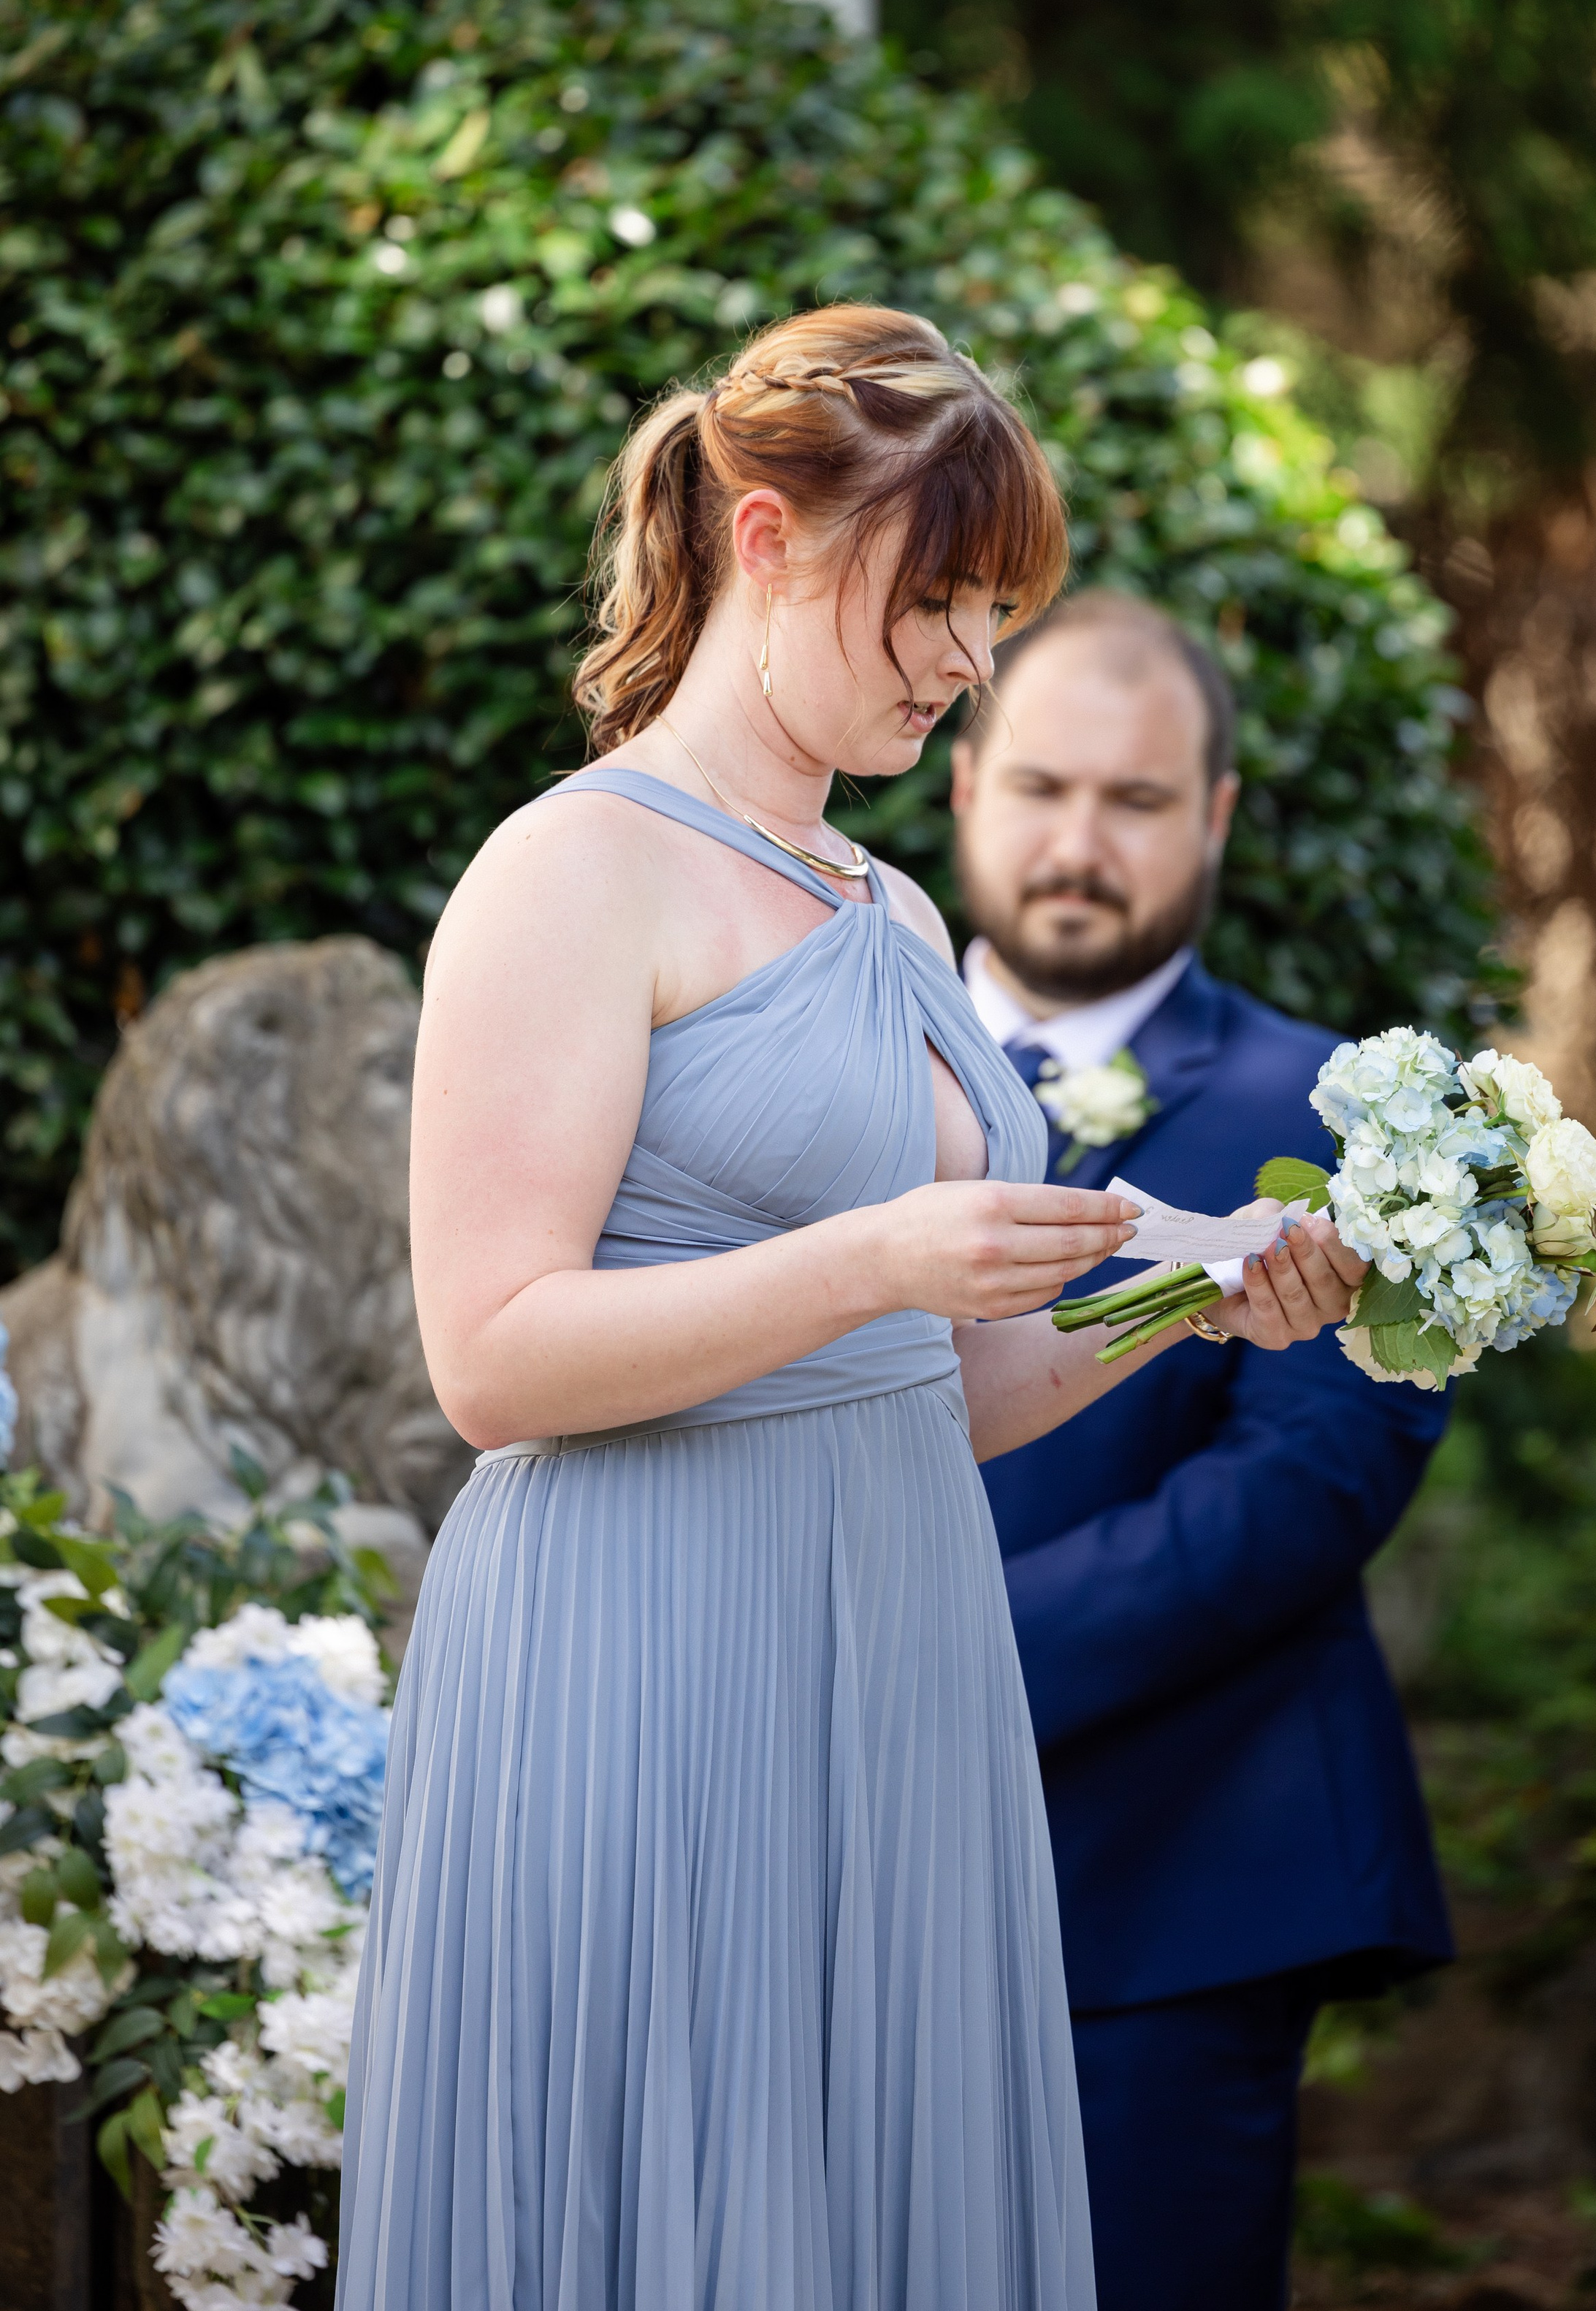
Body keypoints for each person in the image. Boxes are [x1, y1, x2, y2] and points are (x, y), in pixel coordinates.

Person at [338, 308, 1370, 2311]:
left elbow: (943, 1380)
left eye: (995, 610)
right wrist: (874, 1254)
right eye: (944, 597)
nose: (971, 659)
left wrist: (1194, 1288)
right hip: (643, 1656)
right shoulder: (571, 874)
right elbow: (488, 1354)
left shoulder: (890, 908)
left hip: (893, 1654)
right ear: (770, 538)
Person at [951, 590, 1454, 2311]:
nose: (1076, 842)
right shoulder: (839, 1075)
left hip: (1169, 1889)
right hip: (827, 1865)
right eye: (1039, 786)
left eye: (1137, 799)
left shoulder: (1345, 1122)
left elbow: (1290, 1498)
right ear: (960, 781)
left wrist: (918, 1663)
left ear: (1217, 814)